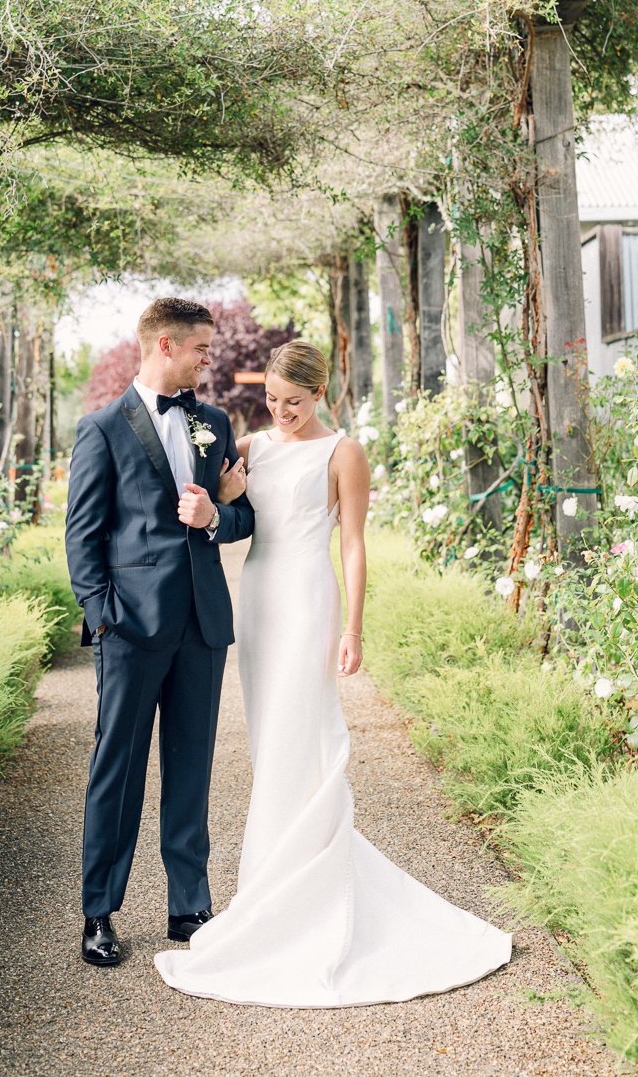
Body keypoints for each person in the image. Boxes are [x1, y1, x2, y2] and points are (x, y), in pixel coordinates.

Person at [155, 339, 512, 1006]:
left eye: (295, 402)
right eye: (273, 401)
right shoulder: (256, 448)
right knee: (270, 745)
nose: (282, 412)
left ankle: (304, 892)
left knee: (305, 740)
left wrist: (353, 627)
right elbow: (235, 519)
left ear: (321, 394)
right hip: (260, 600)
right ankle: (271, 893)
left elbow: (351, 542)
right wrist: (226, 499)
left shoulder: (343, 452)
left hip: (309, 600)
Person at [65, 297, 255, 968]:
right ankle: (99, 912)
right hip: (130, 628)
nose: (211, 359)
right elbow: (82, 536)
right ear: (166, 344)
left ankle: (189, 905)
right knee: (115, 772)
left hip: (201, 624)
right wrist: (103, 614)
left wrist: (211, 517)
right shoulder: (102, 429)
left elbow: (242, 519)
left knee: (191, 767)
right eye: (203, 349)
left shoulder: (214, 423)